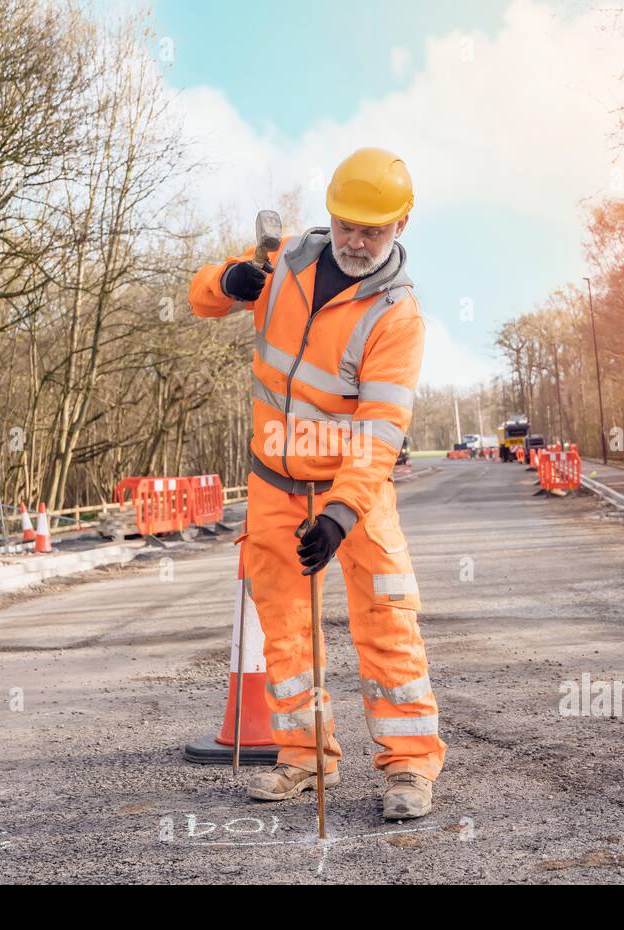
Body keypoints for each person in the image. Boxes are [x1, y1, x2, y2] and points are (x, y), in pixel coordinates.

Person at [188, 147, 445, 819]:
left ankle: (410, 768)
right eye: (347, 225)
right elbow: (199, 297)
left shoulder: (397, 314)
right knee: (285, 630)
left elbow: (381, 430)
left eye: (374, 230)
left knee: (387, 620)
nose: (357, 242)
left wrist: (339, 514)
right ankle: (303, 757)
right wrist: (232, 281)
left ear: (402, 225)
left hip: (352, 495)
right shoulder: (289, 260)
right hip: (273, 483)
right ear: (330, 213)